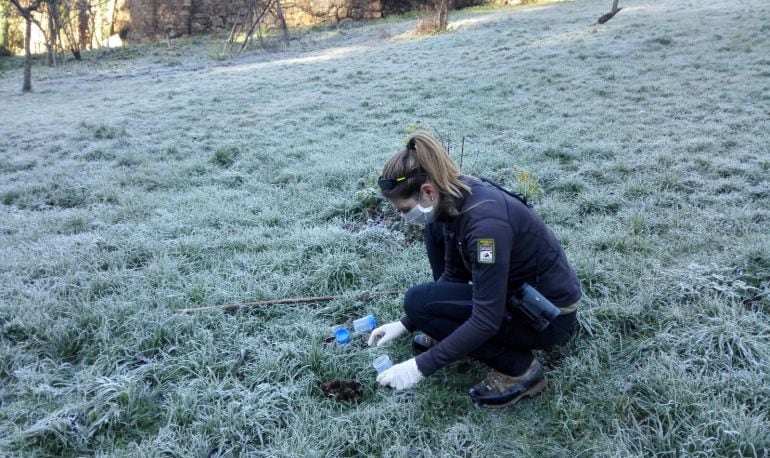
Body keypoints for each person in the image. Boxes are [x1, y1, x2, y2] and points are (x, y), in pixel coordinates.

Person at [367, 131, 582, 409]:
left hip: (546, 317)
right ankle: (446, 330)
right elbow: (454, 275)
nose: (402, 216)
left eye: (404, 208)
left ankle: (521, 370)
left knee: (420, 301)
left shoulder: (485, 233)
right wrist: (407, 323)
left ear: (428, 191)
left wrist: (418, 368)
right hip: (517, 295)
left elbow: (486, 319)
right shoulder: (452, 198)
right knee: (428, 265)